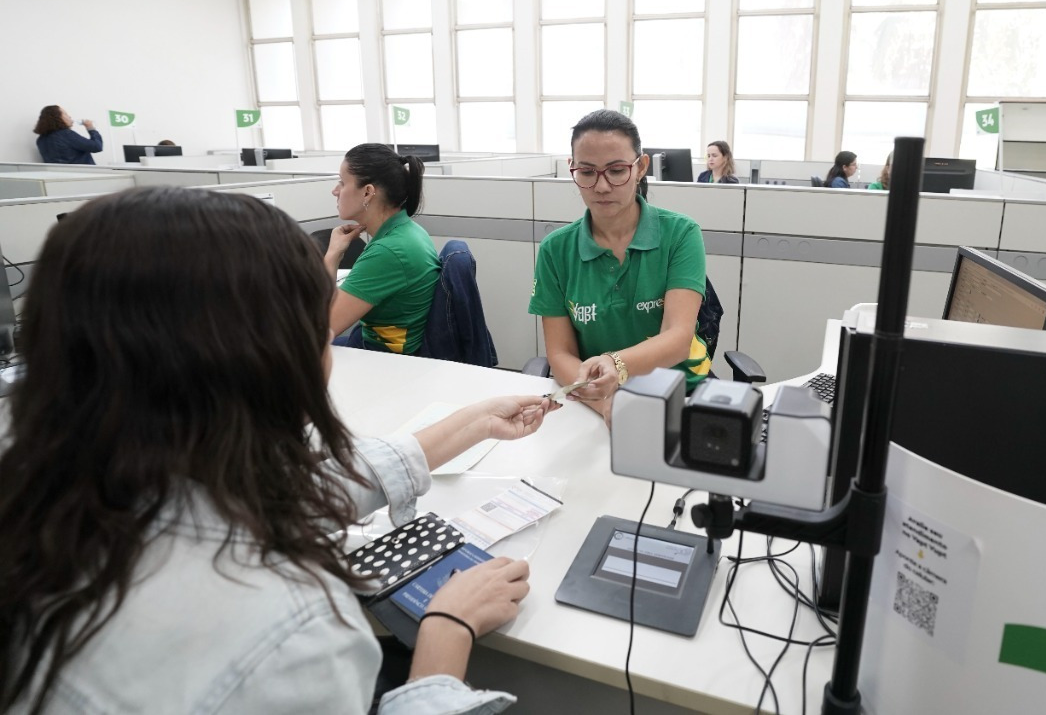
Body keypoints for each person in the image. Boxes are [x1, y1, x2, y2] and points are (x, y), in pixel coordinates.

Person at [0, 185, 557, 714]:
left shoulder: (57, 479)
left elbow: (271, 497)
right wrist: (445, 632)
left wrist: (471, 421)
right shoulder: (288, 632)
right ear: (273, 356)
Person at [529, 109, 710, 426]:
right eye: (587, 172)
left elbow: (678, 339)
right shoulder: (555, 251)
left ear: (641, 167)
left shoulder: (681, 234)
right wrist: (605, 402)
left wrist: (616, 364)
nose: (601, 187)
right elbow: (560, 355)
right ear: (572, 169)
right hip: (596, 401)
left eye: (616, 171)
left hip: (679, 394)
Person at [326, 143, 440, 355]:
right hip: (383, 350)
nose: (335, 191)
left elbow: (319, 331)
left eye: (342, 182)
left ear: (368, 192)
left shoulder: (389, 251)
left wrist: (332, 256)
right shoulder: (406, 231)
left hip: (383, 361)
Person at [33, 105, 102, 165]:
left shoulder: (40, 140)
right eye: (65, 114)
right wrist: (90, 128)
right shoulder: (66, 134)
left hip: (60, 177)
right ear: (58, 117)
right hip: (81, 176)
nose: (69, 116)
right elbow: (97, 146)